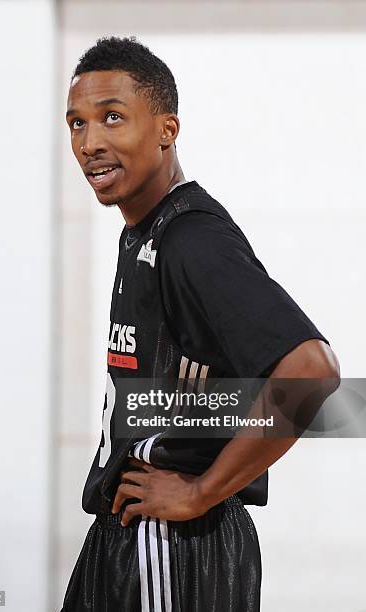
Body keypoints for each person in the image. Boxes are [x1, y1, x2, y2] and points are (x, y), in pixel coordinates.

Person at [60, 36, 340, 612]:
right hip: (136, 535)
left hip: (173, 544)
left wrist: (199, 491)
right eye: (77, 124)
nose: (90, 143)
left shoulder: (191, 240)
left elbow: (311, 370)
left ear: (167, 129)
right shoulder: (145, 231)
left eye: (113, 118)